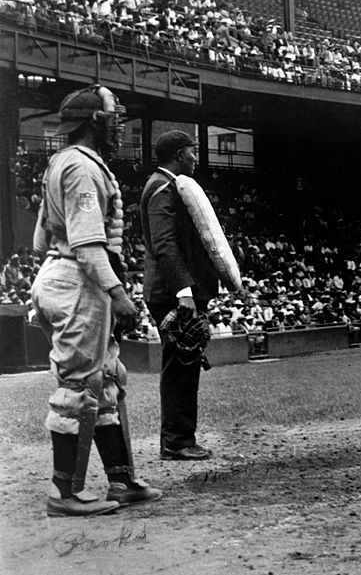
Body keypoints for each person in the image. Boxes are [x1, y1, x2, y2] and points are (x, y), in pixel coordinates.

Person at [30, 85, 162, 516]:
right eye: (112, 116)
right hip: (79, 279)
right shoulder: (83, 169)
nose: (118, 123)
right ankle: (63, 493)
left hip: (62, 273)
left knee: (105, 379)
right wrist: (118, 293)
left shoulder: (61, 162)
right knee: (80, 386)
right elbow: (88, 246)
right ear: (95, 122)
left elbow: (39, 240)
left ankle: (121, 480)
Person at [140, 130, 220, 460]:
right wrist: (184, 291)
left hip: (177, 290)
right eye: (192, 151)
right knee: (180, 365)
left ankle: (181, 438)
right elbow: (165, 244)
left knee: (185, 363)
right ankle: (176, 440)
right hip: (172, 292)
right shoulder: (162, 188)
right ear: (177, 154)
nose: (195, 157)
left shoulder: (170, 185)